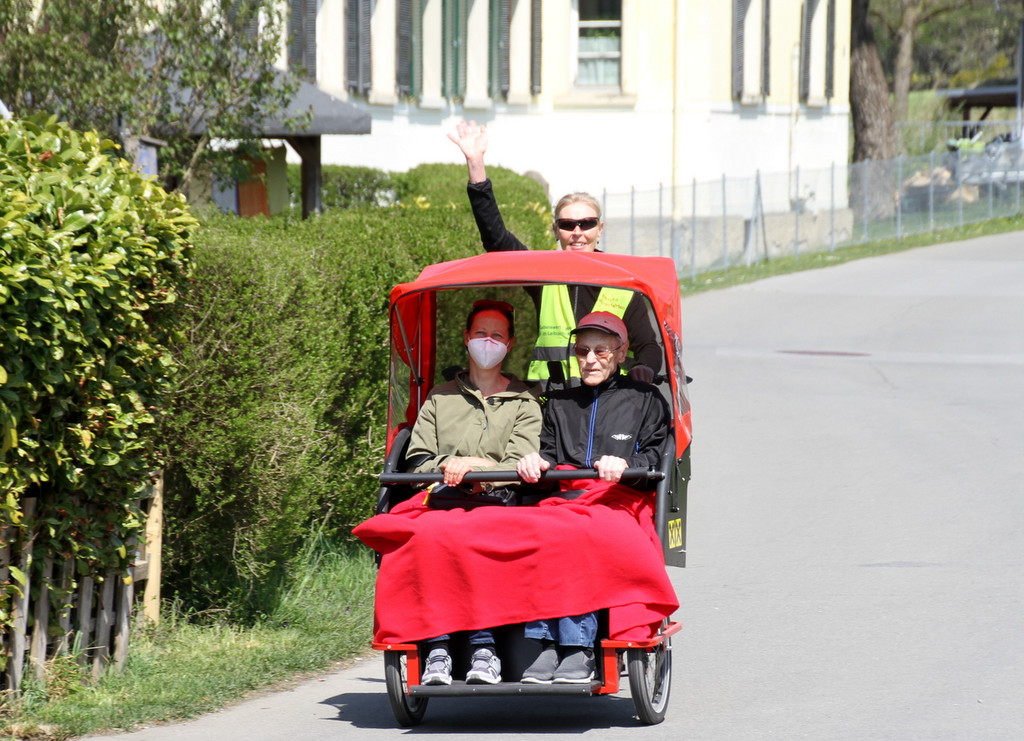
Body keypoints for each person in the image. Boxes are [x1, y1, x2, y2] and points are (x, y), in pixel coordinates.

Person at [515, 310, 670, 684]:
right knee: (535, 530)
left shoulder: (645, 399)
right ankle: (547, 644)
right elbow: (549, 452)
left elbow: (656, 455)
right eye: (582, 351)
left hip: (620, 496)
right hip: (568, 499)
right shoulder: (559, 403)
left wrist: (627, 463)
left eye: (601, 351)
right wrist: (537, 461)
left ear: (621, 353)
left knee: (582, 533)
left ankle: (578, 647)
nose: (590, 359)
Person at [448, 119, 662, 387]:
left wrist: (644, 369)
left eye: (586, 224)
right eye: (567, 225)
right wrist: (476, 165)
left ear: (600, 229)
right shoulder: (543, 275)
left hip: (610, 399)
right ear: (556, 230)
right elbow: (496, 239)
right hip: (552, 400)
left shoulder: (623, 283)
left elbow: (649, 346)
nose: (577, 232)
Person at [403, 299, 542, 686]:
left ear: (509, 344)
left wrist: (475, 467)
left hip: (498, 502)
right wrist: (454, 464)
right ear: (466, 338)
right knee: (427, 537)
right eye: (481, 333)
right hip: (444, 500)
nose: (487, 341)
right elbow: (418, 461)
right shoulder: (440, 398)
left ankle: (485, 648)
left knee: (477, 537)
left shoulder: (525, 401)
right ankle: (437, 648)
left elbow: (520, 463)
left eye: (497, 335)